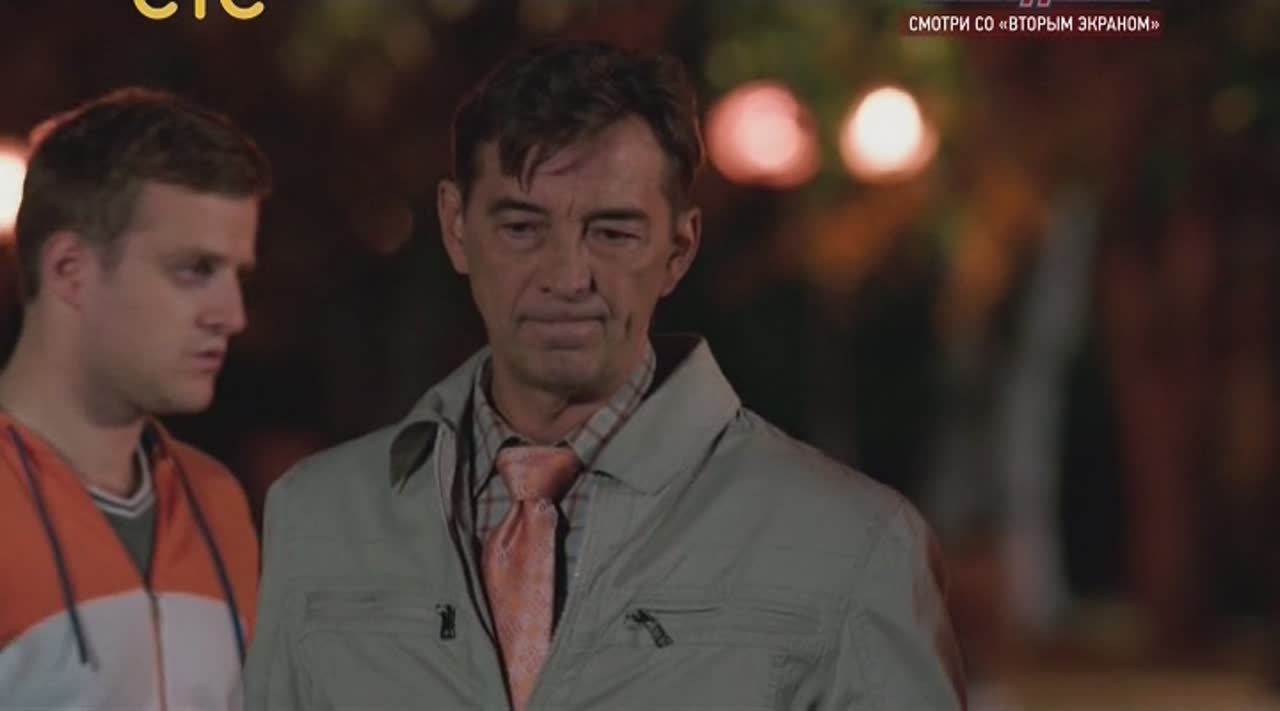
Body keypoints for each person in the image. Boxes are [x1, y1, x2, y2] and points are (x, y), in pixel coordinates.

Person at [247, 41, 965, 710]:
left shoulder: (855, 544)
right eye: (522, 227)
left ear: (679, 248)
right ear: (456, 226)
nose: (567, 277)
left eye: (613, 232)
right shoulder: (316, 518)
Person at [0, 88, 270, 710]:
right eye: (194, 270)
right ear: (70, 271)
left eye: (238, 276)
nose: (232, 316)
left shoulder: (218, 502)